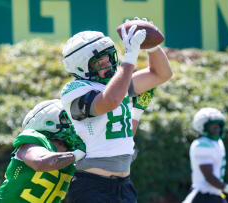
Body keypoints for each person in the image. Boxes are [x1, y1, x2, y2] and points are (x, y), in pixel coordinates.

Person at [60, 17, 172, 203]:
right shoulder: (74, 91)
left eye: (109, 58)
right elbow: (110, 100)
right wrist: (130, 58)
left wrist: (150, 45)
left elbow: (161, 74)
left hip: (124, 184)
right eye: (100, 63)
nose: (109, 65)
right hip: (92, 185)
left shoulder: (118, 85)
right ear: (81, 66)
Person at [0, 99, 86, 203]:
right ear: (49, 121)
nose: (74, 125)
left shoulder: (72, 155)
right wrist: (77, 154)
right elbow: (40, 162)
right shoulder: (34, 140)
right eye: (68, 120)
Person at [183, 107, 228, 203]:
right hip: (202, 195)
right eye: (213, 126)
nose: (217, 129)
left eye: (218, 126)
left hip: (215, 194)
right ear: (202, 127)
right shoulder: (201, 144)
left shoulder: (218, 142)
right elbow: (209, 177)